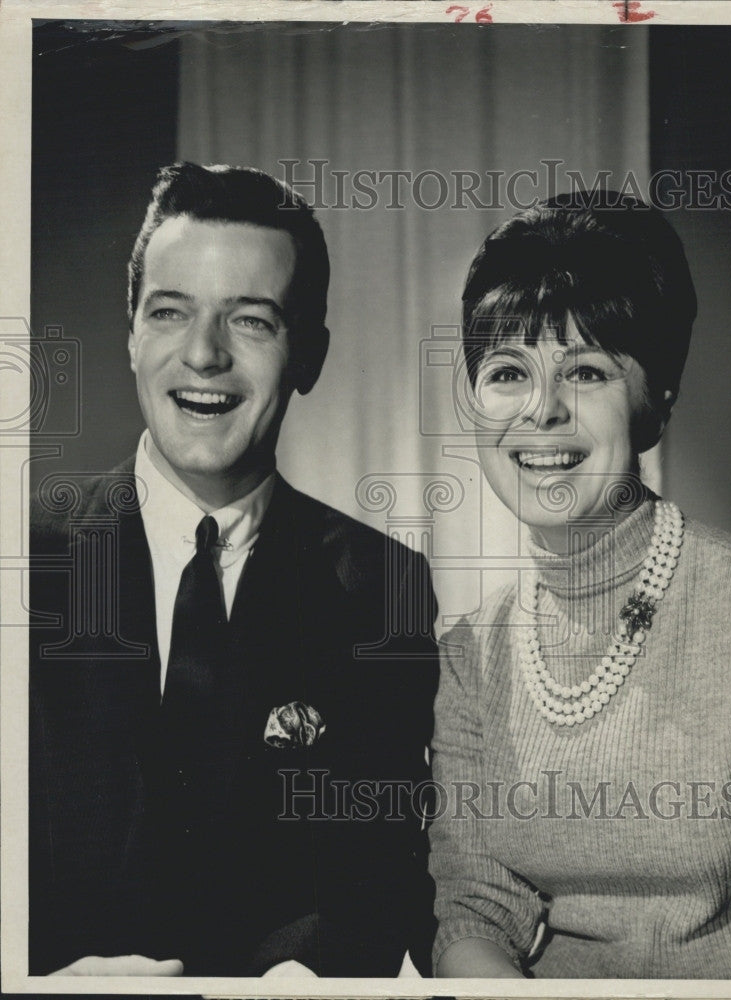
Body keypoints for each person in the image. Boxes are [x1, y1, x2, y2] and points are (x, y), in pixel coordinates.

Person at [29, 162, 438, 978]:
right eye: (170, 313)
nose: (204, 355)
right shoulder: (19, 562)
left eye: (250, 322)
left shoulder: (380, 586)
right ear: (132, 334)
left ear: (310, 356)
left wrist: (299, 977)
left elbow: (379, 870)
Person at [429, 193, 731, 979]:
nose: (541, 411)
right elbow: (473, 911)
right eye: (507, 372)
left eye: (586, 370)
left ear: (655, 400)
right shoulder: (472, 651)